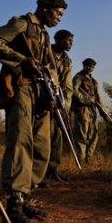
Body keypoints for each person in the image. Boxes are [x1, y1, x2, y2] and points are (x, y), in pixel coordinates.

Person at [0, 0, 67, 223]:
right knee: (21, 143)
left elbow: (49, 68)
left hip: (41, 95)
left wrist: (55, 97)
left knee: (42, 147)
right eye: (57, 13)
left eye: (62, 15)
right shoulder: (21, 24)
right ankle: (14, 208)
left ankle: (25, 196)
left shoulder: (44, 34)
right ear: (44, 8)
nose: (59, 19)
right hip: (20, 89)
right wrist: (21, 61)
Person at [43, 29, 74, 184]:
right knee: (43, 138)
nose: (71, 43)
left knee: (57, 137)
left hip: (59, 102)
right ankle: (39, 174)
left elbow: (68, 86)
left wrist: (64, 106)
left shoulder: (68, 60)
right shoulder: (46, 52)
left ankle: (52, 171)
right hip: (44, 102)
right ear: (58, 40)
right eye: (68, 40)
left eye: (72, 41)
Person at [71, 58, 108, 164]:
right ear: (84, 65)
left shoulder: (94, 81)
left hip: (93, 110)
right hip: (82, 109)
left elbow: (97, 95)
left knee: (93, 135)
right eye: (88, 66)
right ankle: (80, 160)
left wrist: (103, 111)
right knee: (82, 135)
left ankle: (89, 158)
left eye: (92, 67)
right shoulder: (78, 78)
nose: (90, 68)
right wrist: (86, 99)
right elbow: (74, 91)